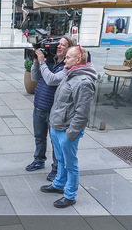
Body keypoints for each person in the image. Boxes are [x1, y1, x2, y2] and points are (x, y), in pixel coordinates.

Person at [40, 46, 97, 208]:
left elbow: (83, 114)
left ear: (78, 60)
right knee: (61, 160)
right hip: (57, 127)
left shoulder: (83, 81)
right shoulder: (71, 74)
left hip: (67, 132)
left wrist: (70, 135)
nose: (64, 60)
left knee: (70, 164)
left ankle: (70, 195)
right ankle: (58, 185)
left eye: (68, 57)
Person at [26, 36, 76, 182]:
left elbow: (52, 79)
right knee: (39, 137)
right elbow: (35, 77)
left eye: (63, 45)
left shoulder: (67, 67)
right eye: (58, 44)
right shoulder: (49, 60)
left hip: (54, 110)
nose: (58, 47)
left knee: (56, 142)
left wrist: (41, 62)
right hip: (39, 106)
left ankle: (56, 168)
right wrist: (36, 62)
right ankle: (39, 160)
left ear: (69, 49)